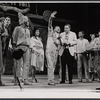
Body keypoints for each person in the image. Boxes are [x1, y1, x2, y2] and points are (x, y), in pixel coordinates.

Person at [12, 12, 31, 85]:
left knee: (26, 64)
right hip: (19, 46)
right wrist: (14, 46)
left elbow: (29, 39)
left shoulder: (28, 30)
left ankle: (25, 79)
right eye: (27, 21)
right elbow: (14, 38)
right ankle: (17, 79)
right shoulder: (18, 28)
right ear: (24, 21)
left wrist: (30, 47)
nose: (28, 22)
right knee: (18, 64)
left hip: (27, 47)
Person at [46, 11, 61, 85]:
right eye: (57, 28)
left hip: (55, 51)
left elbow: (59, 44)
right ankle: (50, 80)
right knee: (50, 65)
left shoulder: (60, 37)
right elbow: (49, 24)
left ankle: (51, 79)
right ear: (54, 29)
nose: (58, 29)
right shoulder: (51, 32)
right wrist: (51, 18)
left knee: (53, 66)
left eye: (59, 28)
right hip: (49, 50)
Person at [0, 17, 6, 86]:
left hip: (1, 46)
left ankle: (0, 79)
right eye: (3, 21)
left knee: (1, 63)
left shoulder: (3, 27)